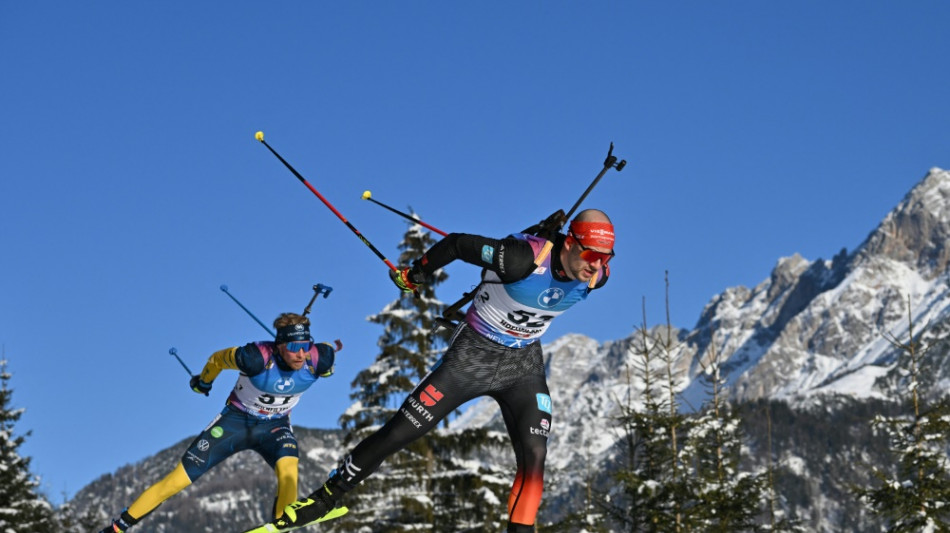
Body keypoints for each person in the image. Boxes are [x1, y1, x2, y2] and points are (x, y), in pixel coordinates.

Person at [252, 209, 614, 533]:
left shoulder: (597, 276)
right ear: (569, 243)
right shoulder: (521, 259)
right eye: (590, 255)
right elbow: (456, 244)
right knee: (399, 433)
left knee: (535, 456)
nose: (595, 266)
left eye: (604, 259)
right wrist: (415, 274)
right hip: (471, 358)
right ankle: (324, 499)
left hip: (523, 366)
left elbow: (577, 273)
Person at [99, 312, 337, 533]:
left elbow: (328, 355)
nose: (301, 354)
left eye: (306, 346)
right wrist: (204, 382)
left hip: (274, 427)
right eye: (294, 347)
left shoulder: (320, 358)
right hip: (235, 423)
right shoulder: (254, 357)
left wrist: (327, 367)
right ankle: (118, 527)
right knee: (177, 480)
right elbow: (217, 359)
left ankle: (282, 526)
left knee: (289, 470)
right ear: (280, 345)